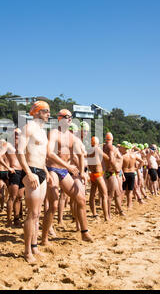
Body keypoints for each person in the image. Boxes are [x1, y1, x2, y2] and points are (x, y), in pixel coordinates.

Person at [44, 109, 93, 246]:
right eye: (66, 116)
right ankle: (44, 237)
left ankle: (84, 232)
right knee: (53, 204)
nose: (69, 119)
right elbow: (49, 153)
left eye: (71, 117)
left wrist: (82, 171)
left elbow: (80, 154)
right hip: (52, 169)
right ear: (59, 118)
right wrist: (68, 166)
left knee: (81, 199)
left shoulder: (73, 137)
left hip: (64, 171)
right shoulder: (54, 133)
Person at [16, 100, 51, 263]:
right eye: (46, 111)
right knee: (32, 213)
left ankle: (35, 246)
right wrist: (29, 173)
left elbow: (41, 154)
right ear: (37, 112)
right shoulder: (28, 127)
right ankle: (27, 251)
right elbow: (20, 152)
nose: (49, 114)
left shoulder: (42, 131)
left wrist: (45, 171)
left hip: (40, 171)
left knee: (38, 213)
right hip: (31, 171)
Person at [0, 128, 25, 227]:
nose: (17, 135)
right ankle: (9, 220)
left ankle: (16, 219)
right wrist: (8, 167)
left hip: (23, 172)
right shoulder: (8, 145)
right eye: (15, 133)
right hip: (14, 171)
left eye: (19, 134)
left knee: (20, 197)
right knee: (12, 197)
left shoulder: (23, 146)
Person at [87, 136, 110, 221]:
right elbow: (107, 157)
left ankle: (94, 213)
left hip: (92, 174)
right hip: (98, 174)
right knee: (104, 195)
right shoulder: (97, 149)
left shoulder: (89, 150)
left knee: (92, 195)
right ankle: (106, 216)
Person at [119, 141, 144, 209]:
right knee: (130, 191)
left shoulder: (122, 156)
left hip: (125, 173)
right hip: (132, 173)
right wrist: (137, 168)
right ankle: (129, 206)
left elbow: (119, 168)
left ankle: (119, 206)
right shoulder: (134, 155)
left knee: (123, 191)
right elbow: (142, 162)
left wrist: (122, 175)